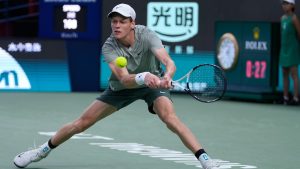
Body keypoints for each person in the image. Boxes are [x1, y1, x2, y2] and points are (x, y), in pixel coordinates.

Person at [13, 3, 219, 169]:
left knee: (170, 118)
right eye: (114, 22)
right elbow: (125, 79)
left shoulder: (147, 34)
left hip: (153, 85)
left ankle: (205, 160)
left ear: (132, 23)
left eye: (122, 21)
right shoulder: (109, 46)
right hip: (122, 89)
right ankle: (41, 151)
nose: (117, 25)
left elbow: (169, 62)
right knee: (82, 123)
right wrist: (144, 75)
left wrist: (167, 76)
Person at [279, 0, 300, 105]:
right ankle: (285, 97)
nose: (284, 5)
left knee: (294, 73)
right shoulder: (282, 19)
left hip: (293, 49)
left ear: (292, 5)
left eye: (286, 3)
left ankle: (296, 98)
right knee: (284, 73)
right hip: (284, 49)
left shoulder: (294, 19)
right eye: (283, 3)